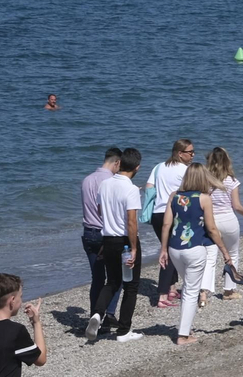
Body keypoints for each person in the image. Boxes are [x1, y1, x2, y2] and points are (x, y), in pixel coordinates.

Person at [157, 164, 233, 345]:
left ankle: (186, 327)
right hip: (195, 249)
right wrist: (224, 251)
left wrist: (163, 249)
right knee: (191, 291)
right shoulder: (204, 199)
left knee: (188, 288)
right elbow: (212, 229)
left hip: (175, 250)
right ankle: (183, 335)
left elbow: (166, 225)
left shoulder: (174, 196)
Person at [86, 148, 144, 343]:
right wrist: (134, 248)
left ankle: (97, 314)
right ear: (137, 167)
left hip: (108, 238)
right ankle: (123, 330)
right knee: (131, 285)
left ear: (119, 163)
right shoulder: (131, 189)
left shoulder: (104, 184)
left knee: (111, 282)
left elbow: (101, 211)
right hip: (125, 241)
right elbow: (131, 221)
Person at [143, 138, 193, 308]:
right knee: (171, 253)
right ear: (180, 153)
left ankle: (171, 288)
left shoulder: (158, 167)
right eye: (190, 152)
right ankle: (162, 295)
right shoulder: (185, 170)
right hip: (172, 214)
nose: (193, 155)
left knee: (168, 248)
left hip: (157, 213)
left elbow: (149, 187)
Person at [79, 148, 122, 332]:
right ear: (117, 163)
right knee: (115, 278)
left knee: (97, 278)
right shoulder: (110, 182)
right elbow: (111, 211)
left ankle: (94, 315)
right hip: (105, 233)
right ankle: (108, 314)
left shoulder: (86, 179)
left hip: (88, 232)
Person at [203, 148, 243, 302]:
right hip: (228, 220)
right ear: (227, 161)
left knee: (209, 257)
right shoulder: (231, 180)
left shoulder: (205, 180)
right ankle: (228, 290)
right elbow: (236, 205)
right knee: (232, 254)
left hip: (211, 220)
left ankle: (203, 292)